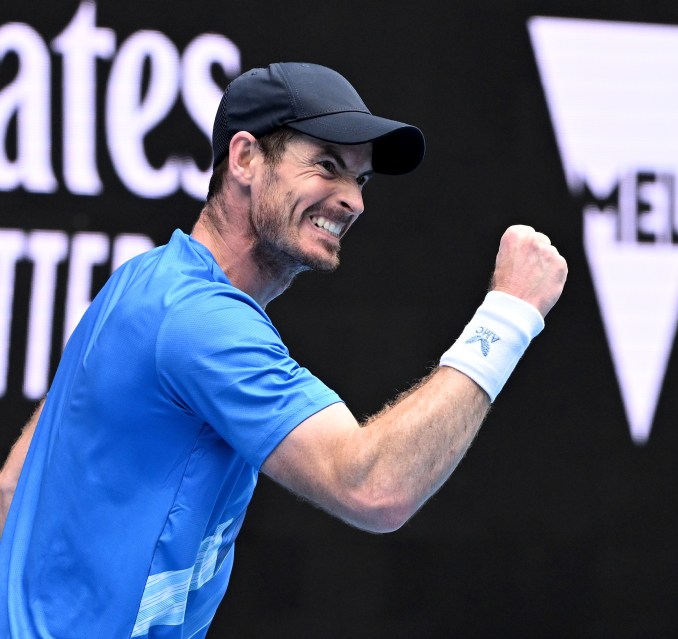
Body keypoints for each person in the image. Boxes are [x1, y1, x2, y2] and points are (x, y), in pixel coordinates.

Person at [0, 62, 567, 637]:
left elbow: (13, 485)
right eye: (327, 165)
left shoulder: (146, 279)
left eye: (361, 181)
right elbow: (373, 486)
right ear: (244, 159)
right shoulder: (203, 321)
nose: (353, 201)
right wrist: (511, 313)